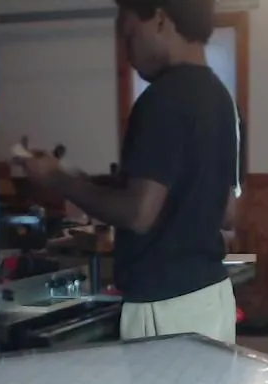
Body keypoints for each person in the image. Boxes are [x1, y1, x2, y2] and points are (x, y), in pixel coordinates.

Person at [16, 0, 242, 345]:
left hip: (167, 308)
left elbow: (139, 214)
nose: (128, 52)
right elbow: (228, 210)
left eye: (130, 34)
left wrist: (56, 180)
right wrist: (77, 177)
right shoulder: (221, 100)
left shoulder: (163, 99)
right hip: (211, 297)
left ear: (160, 20)